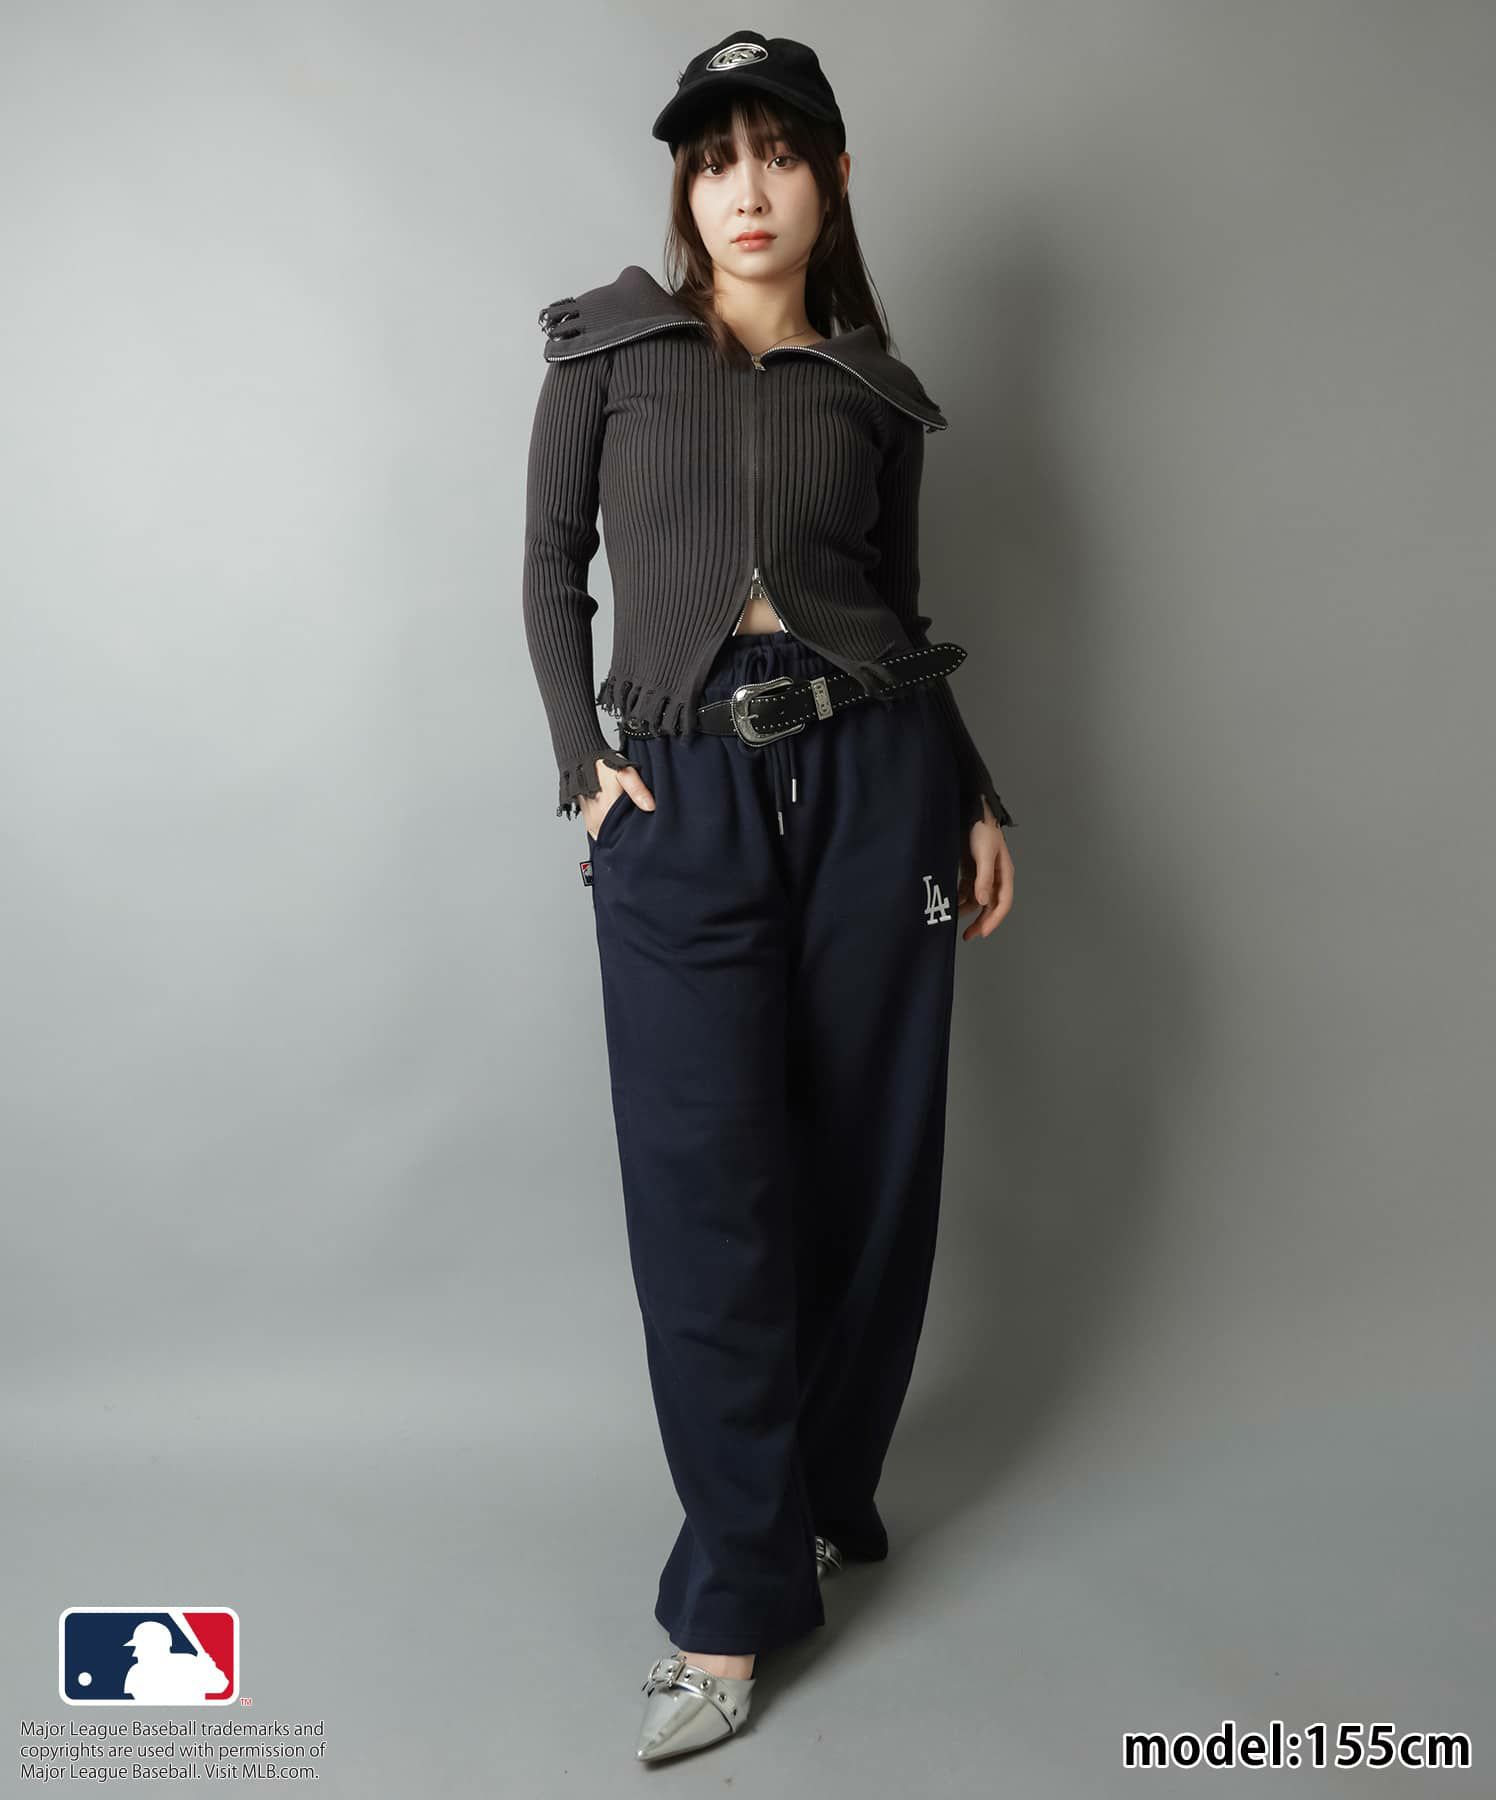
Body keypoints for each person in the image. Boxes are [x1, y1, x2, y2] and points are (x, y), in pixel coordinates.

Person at [521, 28, 1017, 1766]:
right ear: (687, 184)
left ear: (833, 180)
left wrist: (972, 793)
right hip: (682, 804)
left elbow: (897, 610)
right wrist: (583, 762)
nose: (747, 188)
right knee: (706, 1196)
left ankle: (806, 1496)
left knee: (871, 1171)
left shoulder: (874, 393)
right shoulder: (607, 354)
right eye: (717, 156)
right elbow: (547, 568)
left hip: (878, 786)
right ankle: (730, 1600)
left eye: (781, 154)